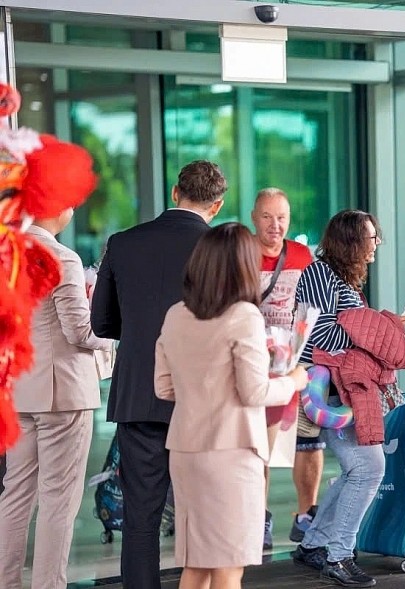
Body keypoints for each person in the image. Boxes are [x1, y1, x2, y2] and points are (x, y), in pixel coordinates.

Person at [91, 160, 228, 589]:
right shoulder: (220, 248)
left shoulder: (123, 243)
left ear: (174, 193)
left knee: (140, 517)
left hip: (139, 396)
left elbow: (102, 324)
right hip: (201, 400)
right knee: (206, 514)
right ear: (217, 205)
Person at [154, 222, 308, 589]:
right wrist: (293, 381)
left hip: (186, 450)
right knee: (228, 566)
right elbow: (254, 393)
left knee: (198, 564)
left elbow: (163, 387)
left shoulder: (176, 314)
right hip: (231, 454)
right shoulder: (244, 316)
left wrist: (204, 389)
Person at [292, 209, 405, 589]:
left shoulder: (340, 278)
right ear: (349, 242)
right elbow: (317, 335)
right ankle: (339, 555)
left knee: (354, 470)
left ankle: (315, 544)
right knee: (368, 469)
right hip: (331, 389)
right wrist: (375, 330)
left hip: (340, 388)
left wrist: (378, 328)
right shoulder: (318, 274)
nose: (377, 243)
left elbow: (347, 328)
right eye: (371, 236)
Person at [0, 207, 114, 589]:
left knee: (15, 493)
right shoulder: (62, 258)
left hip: (20, 390)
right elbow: (80, 332)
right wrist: (118, 336)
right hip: (63, 392)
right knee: (58, 501)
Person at [249, 187, 317, 550]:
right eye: (267, 217)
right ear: (253, 217)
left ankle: (306, 515)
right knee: (257, 444)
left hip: (296, 364)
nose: (275, 225)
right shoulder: (240, 254)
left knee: (308, 441)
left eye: (282, 218)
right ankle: (258, 516)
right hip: (253, 366)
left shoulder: (303, 255)